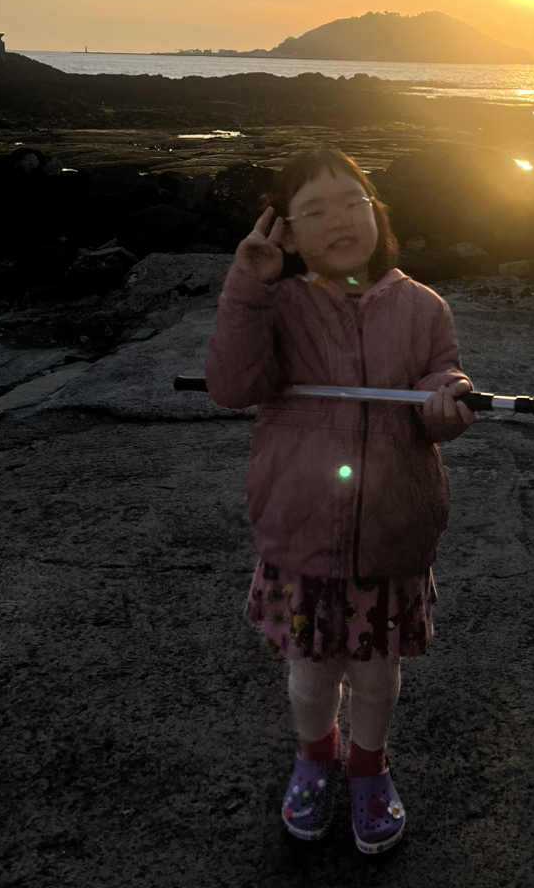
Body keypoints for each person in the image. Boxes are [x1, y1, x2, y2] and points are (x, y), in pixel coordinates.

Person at [204, 148, 474, 854]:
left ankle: (368, 766)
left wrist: (447, 399)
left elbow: (440, 379)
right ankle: (314, 757)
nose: (340, 219)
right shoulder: (277, 304)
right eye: (315, 210)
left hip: (391, 531)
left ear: (376, 213)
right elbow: (232, 385)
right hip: (302, 534)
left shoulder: (423, 307)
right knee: (312, 670)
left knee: (378, 672)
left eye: (354, 202)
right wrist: (248, 282)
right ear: (286, 233)